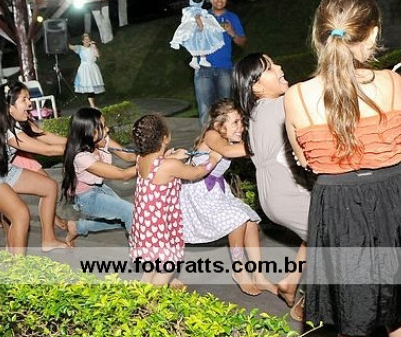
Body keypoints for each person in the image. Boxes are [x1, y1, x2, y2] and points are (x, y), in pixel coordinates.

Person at [283, 0, 401, 337]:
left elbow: (306, 161)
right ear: (373, 33)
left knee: (352, 324)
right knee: (400, 313)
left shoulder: (296, 96)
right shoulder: (392, 83)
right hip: (395, 200)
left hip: (338, 205)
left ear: (320, 34)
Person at [232, 53, 310, 318]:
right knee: (337, 238)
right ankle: (314, 303)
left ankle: (291, 281)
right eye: (269, 67)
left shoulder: (257, 112)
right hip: (286, 192)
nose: (279, 67)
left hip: (274, 193)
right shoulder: (279, 105)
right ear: (256, 86)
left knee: (319, 233)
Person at [180, 99, 277, 296]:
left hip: (216, 190)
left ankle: (258, 275)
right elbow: (227, 151)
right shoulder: (212, 135)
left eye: (241, 122)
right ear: (219, 125)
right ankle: (239, 269)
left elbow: (247, 152)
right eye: (235, 123)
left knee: (250, 223)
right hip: (198, 192)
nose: (240, 127)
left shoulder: (230, 138)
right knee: (237, 219)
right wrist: (264, 144)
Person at [0, 81, 68, 254]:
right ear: (9, 107)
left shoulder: (19, 121)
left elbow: (44, 136)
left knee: (49, 186)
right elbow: (47, 150)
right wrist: (78, 148)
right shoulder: (6, 130)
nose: (30, 103)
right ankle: (18, 265)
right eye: (24, 99)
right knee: (20, 214)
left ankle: (48, 240)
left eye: (29, 98)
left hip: (2, 170)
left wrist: (76, 142)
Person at [129, 114, 221, 286]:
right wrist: (213, 159)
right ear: (165, 138)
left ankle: (142, 292)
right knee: (168, 265)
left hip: (145, 222)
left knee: (153, 262)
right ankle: (153, 299)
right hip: (158, 224)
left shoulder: (141, 159)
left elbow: (160, 165)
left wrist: (171, 157)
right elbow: (196, 173)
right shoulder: (169, 165)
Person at [61, 107, 136, 244]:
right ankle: (141, 252)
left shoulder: (102, 139)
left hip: (100, 188)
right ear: (90, 132)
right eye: (103, 126)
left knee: (127, 218)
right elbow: (122, 174)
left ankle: (77, 228)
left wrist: (154, 156)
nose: (107, 129)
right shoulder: (81, 157)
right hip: (85, 197)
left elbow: (129, 156)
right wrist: (152, 165)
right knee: (130, 213)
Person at [193, 0, 246, 125]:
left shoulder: (232, 18)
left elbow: (242, 42)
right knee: (205, 110)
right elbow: (190, 39)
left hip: (225, 68)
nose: (219, 0)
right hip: (203, 69)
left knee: (225, 109)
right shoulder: (202, 16)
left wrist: (232, 32)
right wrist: (197, 26)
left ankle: (225, 136)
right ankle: (207, 137)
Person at [170, 0, 225, 70]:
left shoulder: (187, 10)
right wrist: (201, 27)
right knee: (201, 42)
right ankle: (201, 59)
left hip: (190, 29)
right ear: (201, 2)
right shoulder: (199, 10)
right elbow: (197, 18)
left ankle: (195, 60)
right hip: (198, 28)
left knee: (193, 44)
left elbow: (185, 19)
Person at [69, 33, 105, 108]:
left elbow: (98, 56)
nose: (87, 41)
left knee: (93, 88)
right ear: (82, 41)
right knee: (89, 87)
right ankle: (92, 105)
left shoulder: (92, 47)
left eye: (88, 39)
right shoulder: (80, 48)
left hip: (93, 68)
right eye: (85, 39)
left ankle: (92, 105)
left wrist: (94, 47)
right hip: (85, 69)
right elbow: (70, 46)